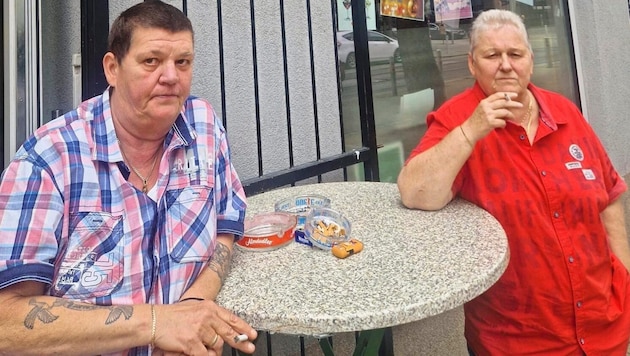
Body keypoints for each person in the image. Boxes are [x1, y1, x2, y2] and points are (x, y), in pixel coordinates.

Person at [0, 1, 257, 355]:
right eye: (151, 61)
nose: (170, 76)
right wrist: (156, 324)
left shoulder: (204, 126)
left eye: (182, 62)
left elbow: (226, 227)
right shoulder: (49, 160)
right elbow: (6, 324)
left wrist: (194, 309)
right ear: (112, 68)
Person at [397, 9, 630, 355]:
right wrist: (470, 131)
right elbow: (415, 193)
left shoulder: (566, 113)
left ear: (530, 62)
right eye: (492, 55)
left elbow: (608, 194)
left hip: (604, 327)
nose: (505, 65)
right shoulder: (457, 119)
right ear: (473, 64)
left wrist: (624, 276)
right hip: (516, 339)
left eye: (515, 54)